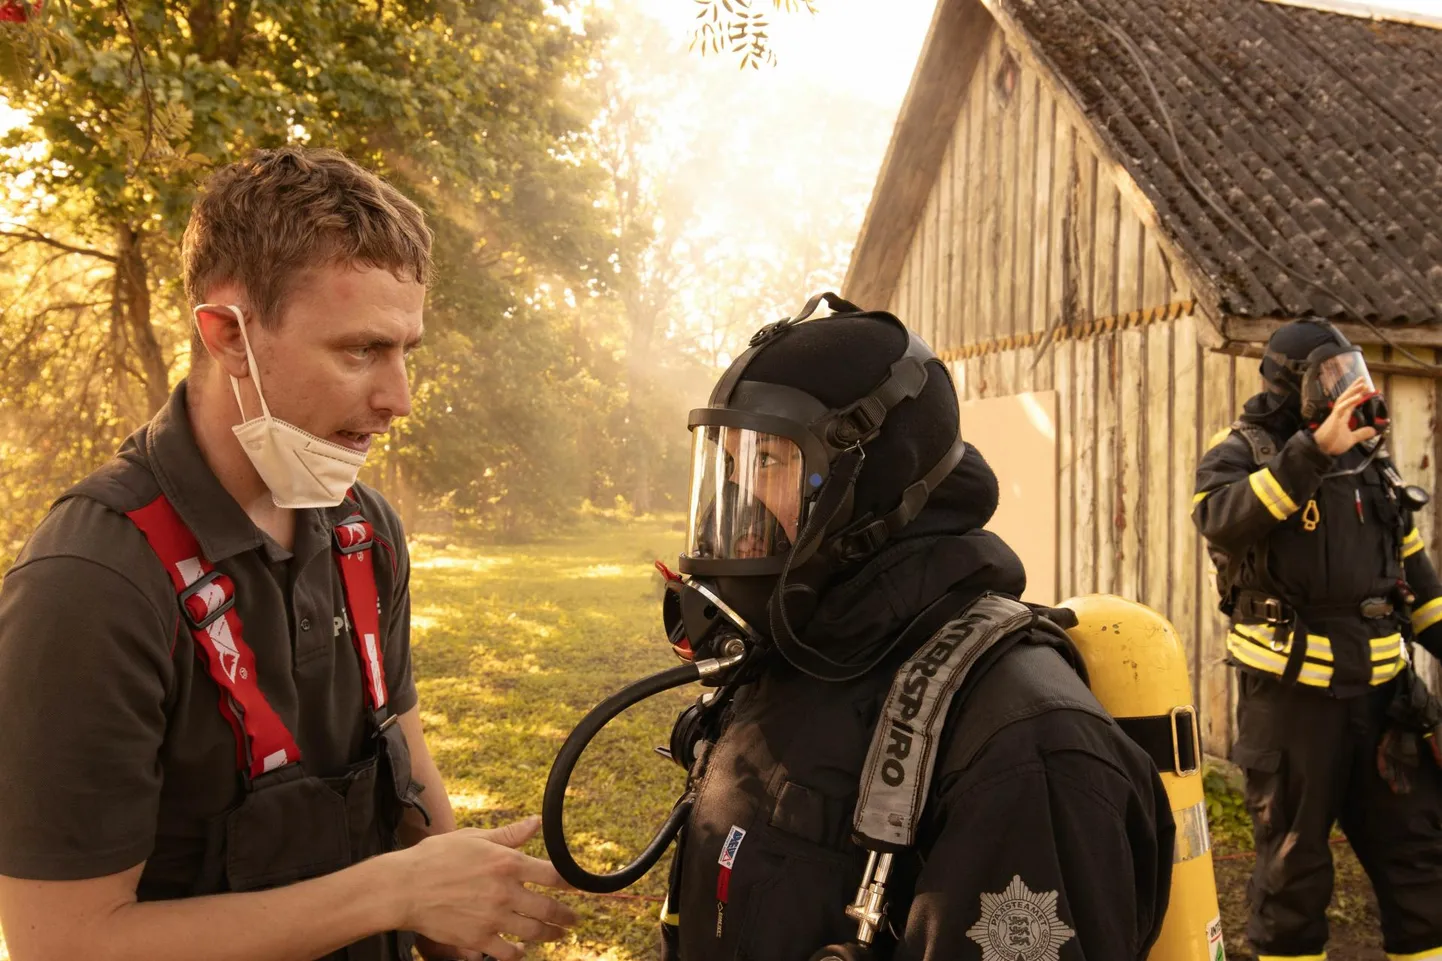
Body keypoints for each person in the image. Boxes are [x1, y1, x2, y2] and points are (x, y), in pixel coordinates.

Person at [0, 147, 575, 961]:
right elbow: (61, 944)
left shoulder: (363, 531)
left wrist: (458, 905)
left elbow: (400, 749)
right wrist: (395, 891)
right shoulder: (91, 585)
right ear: (227, 335)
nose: (398, 399)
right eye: (359, 351)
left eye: (406, 349)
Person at [662, 295, 1175, 960]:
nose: (736, 503)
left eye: (766, 461)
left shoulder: (1027, 756)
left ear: (873, 479)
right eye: (728, 464)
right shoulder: (794, 657)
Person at [1193, 316, 1442, 961]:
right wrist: (1311, 451)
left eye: (1351, 371)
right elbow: (1219, 520)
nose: (1347, 387)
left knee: (1421, 865)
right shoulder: (1244, 447)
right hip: (1292, 702)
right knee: (1292, 878)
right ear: (1287, 384)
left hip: (1384, 702)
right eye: (1330, 376)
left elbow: (1421, 584)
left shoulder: (1370, 464)